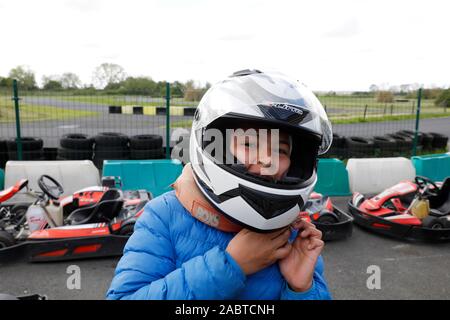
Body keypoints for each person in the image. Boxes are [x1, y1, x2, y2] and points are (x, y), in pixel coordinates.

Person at [106, 69, 333, 300]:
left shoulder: (292, 231)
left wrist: (301, 288)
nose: (267, 159)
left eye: (280, 150)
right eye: (249, 143)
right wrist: (231, 265)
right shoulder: (164, 216)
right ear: (217, 147)